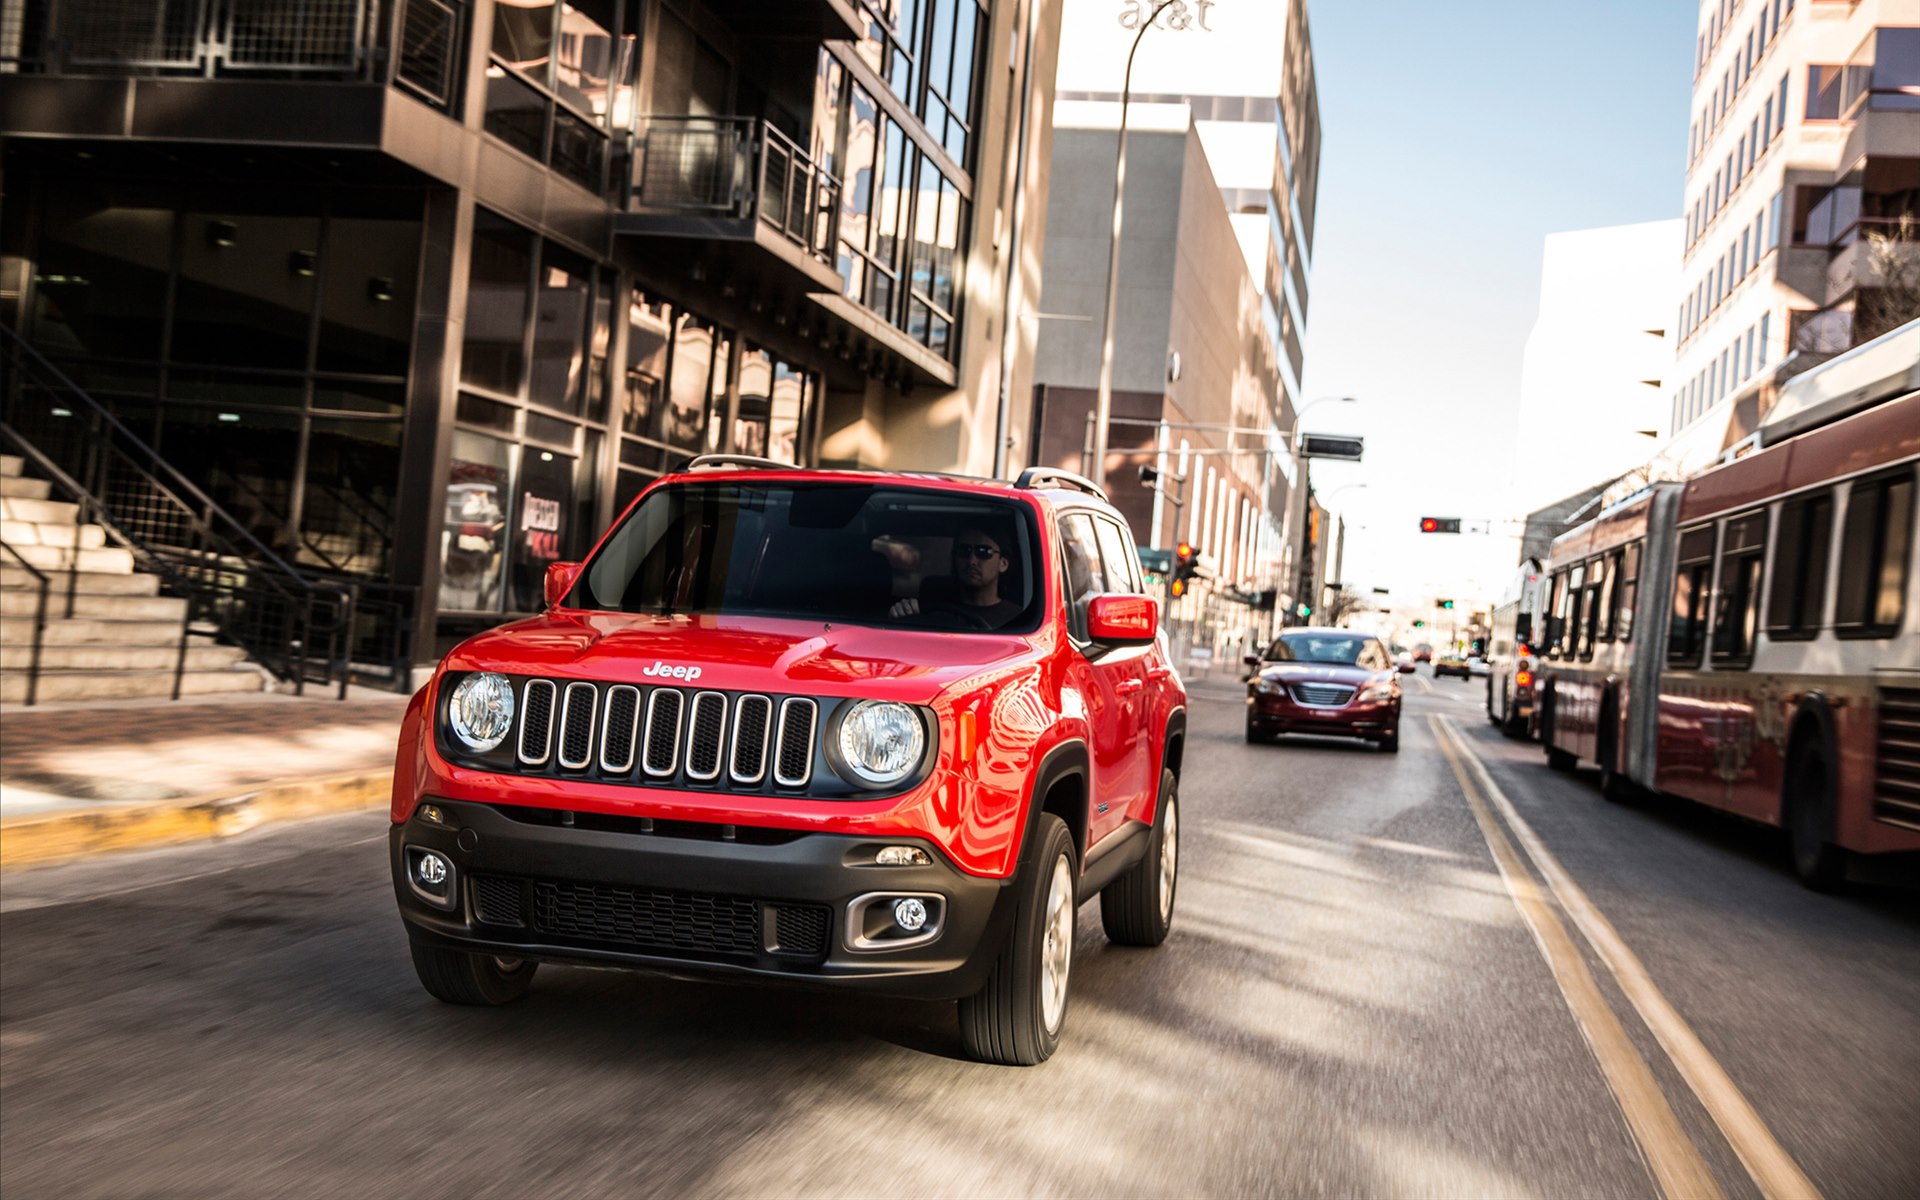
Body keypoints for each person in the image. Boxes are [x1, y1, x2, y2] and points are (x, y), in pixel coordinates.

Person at [889, 524, 1024, 629]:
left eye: (983, 552)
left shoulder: (1021, 620)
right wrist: (901, 616)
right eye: (964, 551)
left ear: (1003, 564)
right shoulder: (930, 609)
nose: (971, 561)